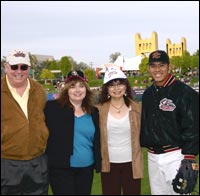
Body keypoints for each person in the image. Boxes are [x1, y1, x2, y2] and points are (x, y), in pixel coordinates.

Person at [140, 50, 199, 195]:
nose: (157, 69)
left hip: (175, 156)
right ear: (149, 68)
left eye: (161, 65)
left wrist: (189, 157)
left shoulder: (185, 92)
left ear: (169, 66)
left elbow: (193, 126)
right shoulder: (148, 94)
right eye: (153, 66)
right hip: (152, 157)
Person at [44, 70, 101, 195]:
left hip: (86, 168)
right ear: (66, 89)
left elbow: (97, 139)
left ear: (86, 89)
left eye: (81, 86)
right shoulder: (52, 108)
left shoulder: (94, 112)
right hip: (60, 169)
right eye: (72, 86)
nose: (77, 90)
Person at [1, 49, 49, 195]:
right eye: (14, 67)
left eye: (24, 67)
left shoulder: (39, 90)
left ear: (29, 68)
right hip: (6, 162)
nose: (19, 71)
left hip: (37, 162)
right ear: (6, 67)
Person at [97, 65, 144, 195]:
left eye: (120, 84)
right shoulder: (99, 110)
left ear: (126, 86)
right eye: (112, 85)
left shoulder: (137, 108)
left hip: (132, 164)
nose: (116, 88)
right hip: (108, 164)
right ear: (106, 88)